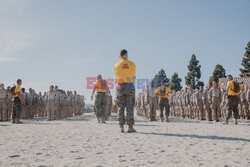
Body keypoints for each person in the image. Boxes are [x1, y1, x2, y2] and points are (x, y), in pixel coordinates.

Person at [114, 49, 136, 133]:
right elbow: (133, 76)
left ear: (120, 56)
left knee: (120, 107)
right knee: (130, 107)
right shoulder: (133, 64)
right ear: (127, 55)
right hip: (130, 86)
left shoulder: (116, 65)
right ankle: (130, 127)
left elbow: (117, 75)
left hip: (120, 87)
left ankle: (121, 127)